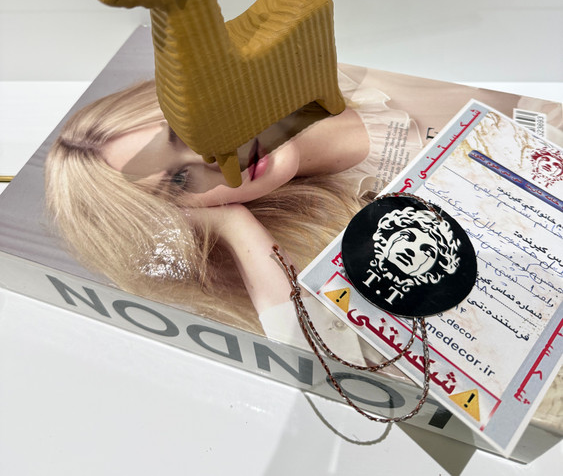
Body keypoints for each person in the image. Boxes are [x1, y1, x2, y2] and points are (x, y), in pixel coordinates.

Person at [45, 65, 521, 355]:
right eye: (180, 181)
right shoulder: (308, 247)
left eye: (188, 133)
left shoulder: (342, 68)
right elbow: (334, 369)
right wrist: (235, 227)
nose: (217, 158)